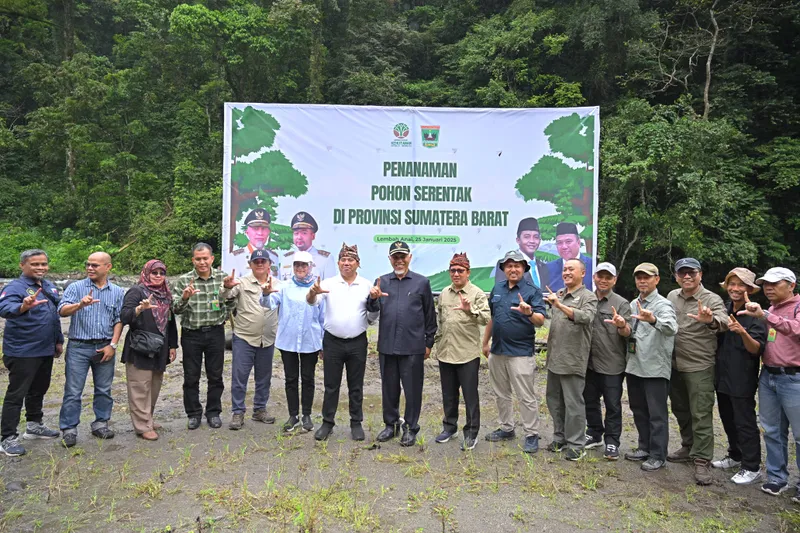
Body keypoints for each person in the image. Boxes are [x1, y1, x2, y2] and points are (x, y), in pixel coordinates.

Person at [735, 267, 800, 498]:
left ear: (791, 285)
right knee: (772, 430)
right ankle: (776, 477)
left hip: (794, 377)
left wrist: (766, 316)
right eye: (765, 284)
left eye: (775, 283)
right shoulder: (771, 308)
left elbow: (797, 329)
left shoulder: (796, 307)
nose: (768, 288)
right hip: (769, 375)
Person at [306, 243, 378, 441]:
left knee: (356, 386)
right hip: (333, 342)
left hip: (357, 342)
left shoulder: (366, 285)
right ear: (338, 263)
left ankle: (356, 422)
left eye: (351, 260)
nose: (347, 263)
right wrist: (313, 292)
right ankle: (327, 423)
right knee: (331, 385)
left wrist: (375, 301)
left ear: (358, 263)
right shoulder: (327, 283)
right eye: (343, 260)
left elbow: (372, 316)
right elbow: (312, 302)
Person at [666, 257, 728, 485]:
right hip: (674, 364)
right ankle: (688, 446)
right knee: (681, 409)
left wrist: (710, 319)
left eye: (691, 272)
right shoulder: (672, 296)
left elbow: (723, 321)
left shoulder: (711, 299)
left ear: (700, 274)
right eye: (682, 273)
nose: (687, 277)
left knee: (701, 413)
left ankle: (702, 460)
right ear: (676, 276)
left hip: (699, 365)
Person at [371, 241, 437, 447]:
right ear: (390, 259)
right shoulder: (381, 281)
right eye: (395, 257)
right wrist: (372, 299)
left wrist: (428, 343)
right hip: (388, 345)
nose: (399, 260)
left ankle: (410, 427)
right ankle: (391, 425)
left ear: (409, 257)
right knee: (389, 388)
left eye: (402, 256)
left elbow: (429, 316)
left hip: (413, 347)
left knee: (412, 390)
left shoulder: (421, 283)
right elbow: (372, 311)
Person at [481, 250, 547, 453]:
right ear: (503, 269)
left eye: (517, 265)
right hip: (498, 351)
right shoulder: (497, 288)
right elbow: (493, 318)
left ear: (524, 269)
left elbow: (540, 321)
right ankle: (506, 428)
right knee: (501, 393)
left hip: (520, 352)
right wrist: (485, 342)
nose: (513, 269)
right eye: (509, 265)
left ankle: (531, 434)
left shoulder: (532, 291)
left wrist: (529, 313)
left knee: (526, 395)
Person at [58, 252, 124, 448]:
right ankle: (69, 429)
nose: (90, 268)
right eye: (88, 264)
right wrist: (79, 305)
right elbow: (61, 310)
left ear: (108, 267)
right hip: (79, 346)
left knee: (104, 389)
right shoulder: (76, 287)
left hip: (104, 345)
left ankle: (100, 423)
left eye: (95, 265)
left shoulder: (117, 291)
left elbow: (119, 320)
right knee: (73, 390)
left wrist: (113, 345)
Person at [0, 250, 63, 456]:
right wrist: (23, 306)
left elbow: (54, 315)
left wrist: (58, 341)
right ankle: (7, 437)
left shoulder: (48, 286)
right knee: (16, 393)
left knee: (39, 388)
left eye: (43, 264)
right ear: (22, 266)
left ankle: (34, 425)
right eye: (35, 264)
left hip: (45, 349)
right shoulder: (15, 287)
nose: (40, 268)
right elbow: (4, 308)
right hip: (23, 350)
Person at [711, 268, 765, 484]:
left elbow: (756, 349)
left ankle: (751, 467)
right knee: (726, 417)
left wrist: (742, 332)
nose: (735, 288)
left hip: (742, 376)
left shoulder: (756, 314)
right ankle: (735, 455)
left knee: (745, 421)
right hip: (722, 373)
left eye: (740, 284)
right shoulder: (724, 309)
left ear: (750, 289)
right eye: (731, 284)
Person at [261, 251, 325, 433]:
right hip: (288, 340)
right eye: (297, 265)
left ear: (310, 267)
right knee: (290, 378)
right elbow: (269, 304)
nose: (300, 268)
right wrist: (265, 294)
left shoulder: (317, 288)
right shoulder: (284, 286)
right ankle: (293, 415)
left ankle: (306, 415)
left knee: (308, 378)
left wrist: (323, 344)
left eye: (304, 265)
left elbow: (322, 318)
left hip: (309, 340)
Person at [622, 263, 677, 472]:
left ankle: (658, 455)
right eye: (639, 277)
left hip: (654, 367)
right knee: (638, 410)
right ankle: (644, 447)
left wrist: (653, 318)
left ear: (657, 279)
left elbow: (672, 328)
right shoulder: (634, 302)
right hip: (635, 365)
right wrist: (622, 327)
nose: (642, 281)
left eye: (646, 277)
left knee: (657, 414)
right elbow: (631, 332)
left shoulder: (663, 304)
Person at [172, 243, 233, 430]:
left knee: (215, 376)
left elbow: (231, 303)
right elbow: (174, 309)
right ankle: (193, 414)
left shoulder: (223, 278)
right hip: (192, 335)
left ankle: (213, 412)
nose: (202, 262)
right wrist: (184, 298)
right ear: (193, 260)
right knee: (191, 377)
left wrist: (223, 316)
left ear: (212, 259)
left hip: (215, 333)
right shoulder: (184, 280)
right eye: (198, 259)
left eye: (205, 258)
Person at [433, 253, 490, 451]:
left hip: (467, 354)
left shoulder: (477, 293)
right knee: (448, 394)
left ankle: (471, 432)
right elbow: (440, 320)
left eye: (460, 270)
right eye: (453, 270)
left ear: (468, 272)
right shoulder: (444, 293)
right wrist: (437, 342)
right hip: (446, 352)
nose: (456, 274)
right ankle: (450, 427)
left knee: (470, 395)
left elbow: (485, 318)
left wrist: (469, 310)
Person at [544, 258, 598, 461]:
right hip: (554, 359)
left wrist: (560, 306)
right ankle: (560, 438)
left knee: (574, 404)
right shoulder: (559, 294)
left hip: (573, 360)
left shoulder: (588, 296)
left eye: (571, 269)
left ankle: (576, 444)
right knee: (554, 401)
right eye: (564, 269)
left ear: (582, 273)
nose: (566, 272)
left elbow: (586, 318)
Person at [220, 249, 279, 430]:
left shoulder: (278, 284)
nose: (260, 264)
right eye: (256, 261)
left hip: (267, 339)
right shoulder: (242, 282)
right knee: (240, 378)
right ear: (250, 264)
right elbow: (225, 296)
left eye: (263, 261)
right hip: (244, 338)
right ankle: (238, 412)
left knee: (264, 378)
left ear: (269, 264)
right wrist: (227, 287)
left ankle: (260, 409)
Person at [120, 259, 178, 441]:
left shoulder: (165, 295)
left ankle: (147, 418)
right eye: (155, 273)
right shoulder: (136, 291)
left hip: (160, 347)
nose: (159, 276)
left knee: (154, 385)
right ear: (146, 273)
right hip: (140, 346)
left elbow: (170, 322)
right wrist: (139, 309)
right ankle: (142, 426)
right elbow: (124, 316)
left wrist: (173, 345)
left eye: (162, 273)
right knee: (140, 386)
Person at [584, 262, 632, 460]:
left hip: (612, 364)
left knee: (612, 405)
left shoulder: (621, 303)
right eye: (600, 276)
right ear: (594, 277)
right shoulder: (586, 299)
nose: (603, 280)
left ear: (614, 280)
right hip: (588, 362)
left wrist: (621, 325)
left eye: (608, 277)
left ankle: (612, 442)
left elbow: (628, 332)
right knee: (589, 401)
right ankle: (595, 433)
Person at [280, 211, 337, 281]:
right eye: (296, 233)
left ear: (313, 236)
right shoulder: (286, 258)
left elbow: (329, 288)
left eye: (304, 233)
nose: (299, 237)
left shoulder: (325, 259)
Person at [490, 217, 546, 287]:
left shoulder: (544, 267)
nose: (532, 241)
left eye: (536, 237)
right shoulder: (505, 264)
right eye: (527, 237)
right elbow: (501, 292)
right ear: (518, 240)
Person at [543, 222, 593, 291]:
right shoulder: (548, 268)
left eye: (568, 241)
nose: (564, 247)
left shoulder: (592, 265)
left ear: (578, 242)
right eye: (559, 243)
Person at [229, 208, 279, 276]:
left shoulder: (274, 257)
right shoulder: (236, 258)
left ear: (268, 232)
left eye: (263, 229)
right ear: (247, 232)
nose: (260, 233)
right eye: (255, 229)